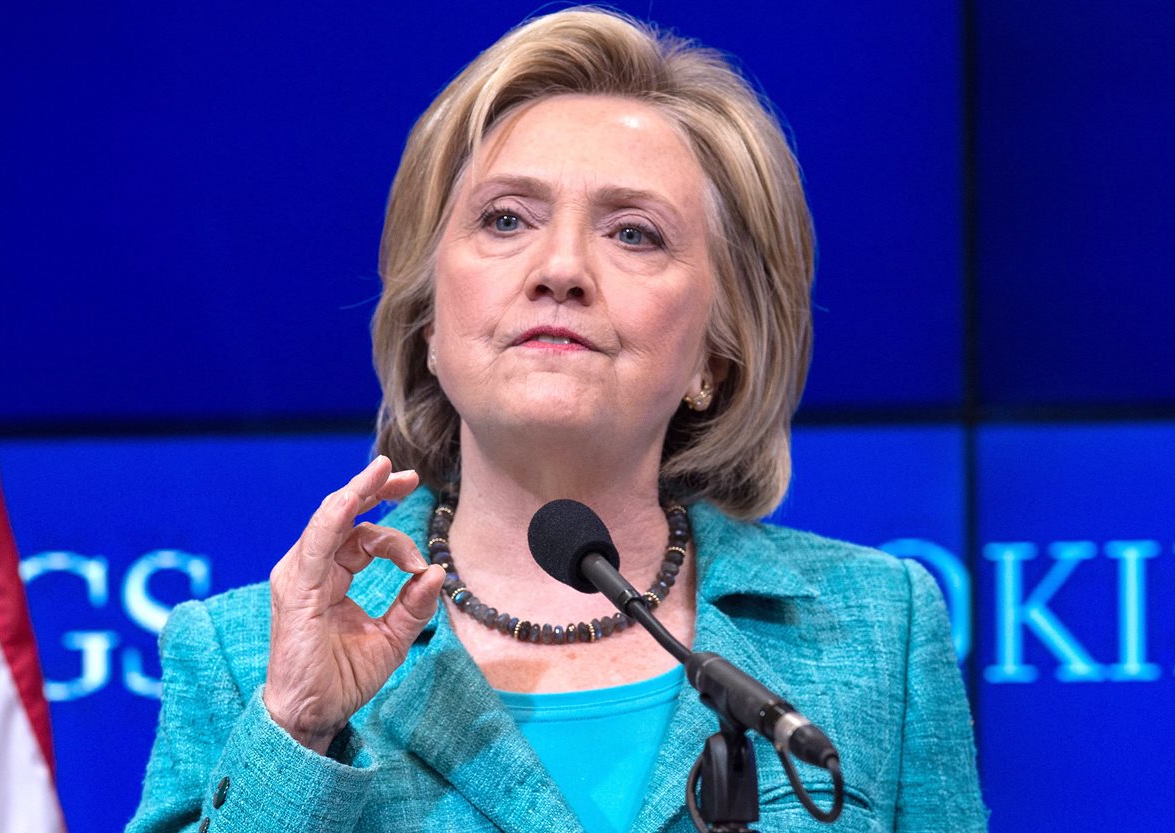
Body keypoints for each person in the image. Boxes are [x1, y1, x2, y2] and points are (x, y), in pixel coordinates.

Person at [127, 8, 986, 832]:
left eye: (635, 234)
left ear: (717, 352)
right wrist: (296, 728)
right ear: (429, 323)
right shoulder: (245, 656)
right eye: (506, 219)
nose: (562, 267)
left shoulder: (881, 627)